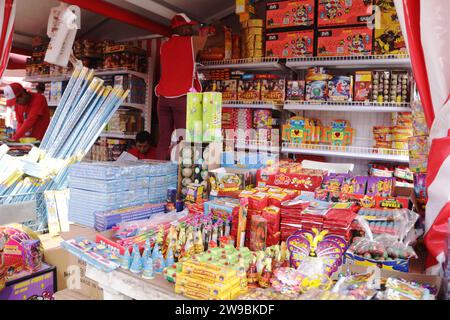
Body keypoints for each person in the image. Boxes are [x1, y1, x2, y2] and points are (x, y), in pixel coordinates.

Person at [155, 13, 208, 160]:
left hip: (163, 99)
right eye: (189, 27)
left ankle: (159, 173)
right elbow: (209, 41)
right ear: (183, 29)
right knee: (183, 139)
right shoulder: (191, 41)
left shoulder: (163, 46)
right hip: (181, 98)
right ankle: (182, 176)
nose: (191, 29)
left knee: (164, 139)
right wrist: (206, 30)